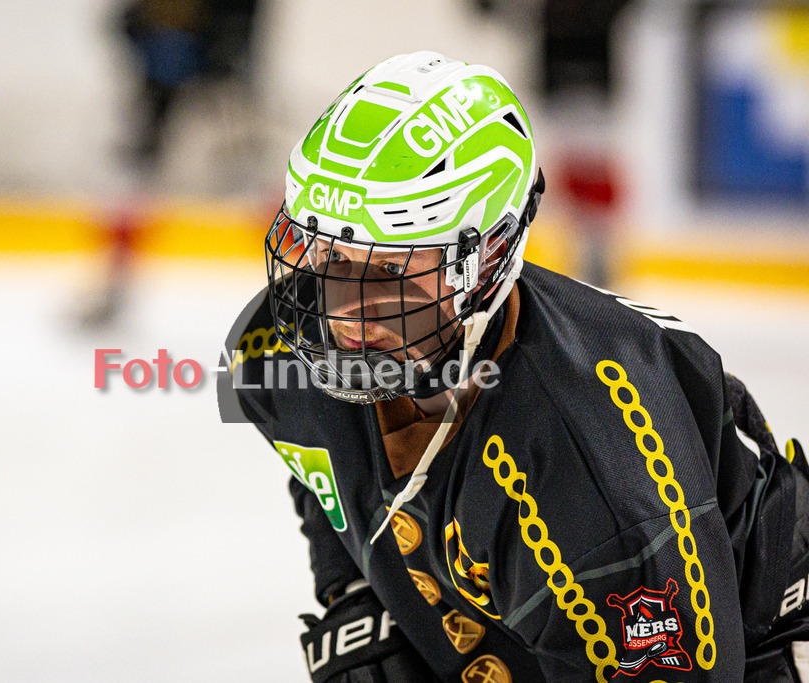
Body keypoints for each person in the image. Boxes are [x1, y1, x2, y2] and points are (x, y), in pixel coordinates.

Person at [220, 51, 809, 681]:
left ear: (491, 255)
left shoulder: (590, 470)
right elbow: (325, 471)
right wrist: (357, 599)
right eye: (327, 255)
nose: (347, 314)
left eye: (391, 269)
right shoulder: (273, 350)